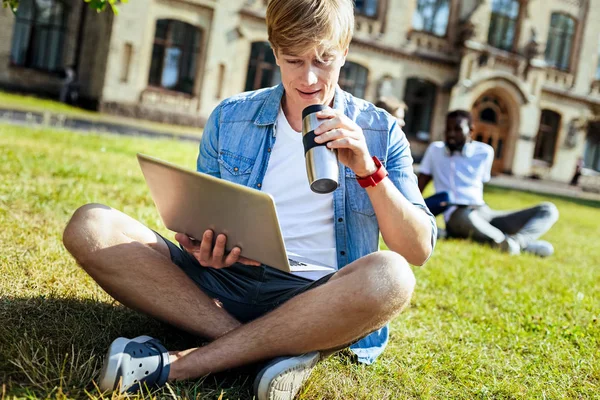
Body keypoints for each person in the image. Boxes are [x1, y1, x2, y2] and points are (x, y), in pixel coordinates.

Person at [62, 1, 436, 399]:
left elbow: (417, 249)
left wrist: (368, 170)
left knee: (392, 277)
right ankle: (268, 350)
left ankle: (177, 365)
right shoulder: (231, 117)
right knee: (91, 225)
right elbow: (202, 215)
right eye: (293, 60)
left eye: (323, 60)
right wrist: (201, 245)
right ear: (274, 51)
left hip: (316, 298)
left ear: (344, 52)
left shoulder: (381, 131)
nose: (309, 77)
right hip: (222, 285)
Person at [418, 110, 559, 257]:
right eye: (448, 130)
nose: (451, 134)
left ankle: (517, 243)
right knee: (464, 215)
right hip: (457, 215)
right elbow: (419, 186)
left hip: (483, 211)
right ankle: (508, 243)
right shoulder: (435, 150)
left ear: (471, 131)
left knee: (548, 210)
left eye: (457, 129)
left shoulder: (485, 152)